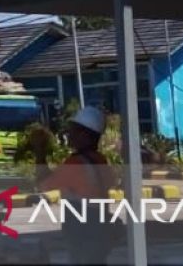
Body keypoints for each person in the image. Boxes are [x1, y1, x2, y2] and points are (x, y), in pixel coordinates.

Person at [34, 106, 118, 265]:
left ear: (85, 135)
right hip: (100, 229)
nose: (69, 134)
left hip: (81, 232)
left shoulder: (76, 163)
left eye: (73, 130)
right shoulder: (100, 160)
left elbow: (43, 184)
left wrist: (40, 152)